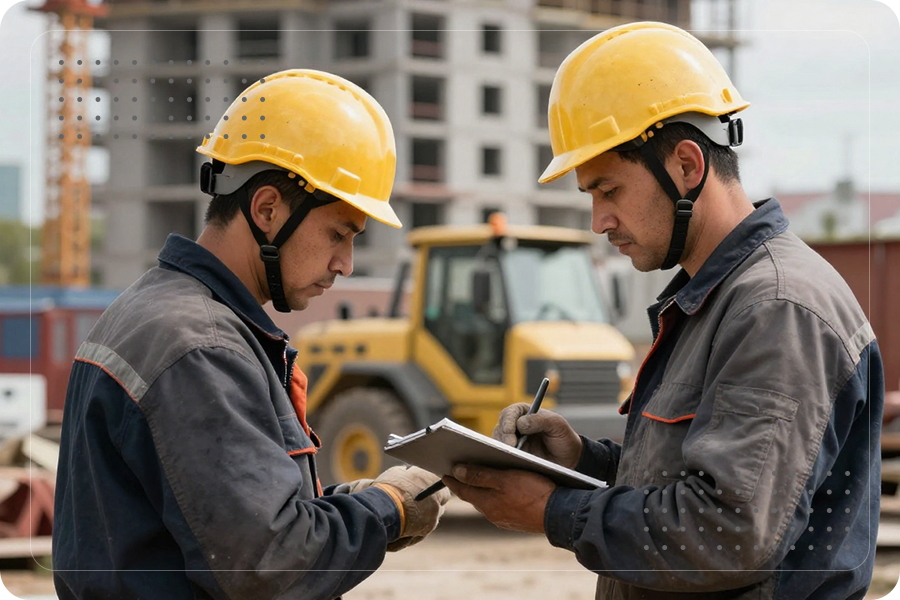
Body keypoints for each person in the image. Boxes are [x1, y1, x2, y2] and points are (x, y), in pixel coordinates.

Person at [443, 22, 884, 600]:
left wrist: (556, 509)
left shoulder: (776, 309)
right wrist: (585, 462)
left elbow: (730, 535)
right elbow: (691, 483)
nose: (599, 221)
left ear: (685, 166)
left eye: (609, 191)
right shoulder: (713, 299)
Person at [52, 69, 450, 600]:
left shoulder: (154, 311)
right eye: (339, 233)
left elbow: (210, 520)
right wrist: (389, 511)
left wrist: (343, 501)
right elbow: (270, 567)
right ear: (267, 210)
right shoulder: (201, 349)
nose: (345, 264)